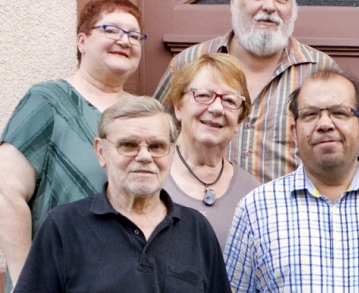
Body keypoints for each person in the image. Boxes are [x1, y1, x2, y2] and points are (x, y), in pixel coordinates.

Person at [225, 69, 359, 292]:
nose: (324, 124)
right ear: (294, 132)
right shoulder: (256, 209)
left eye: (339, 113)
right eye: (311, 114)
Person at [0, 0, 145, 291]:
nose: (125, 40)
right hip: (56, 278)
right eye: (112, 30)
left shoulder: (145, 112)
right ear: (82, 41)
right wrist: (28, 281)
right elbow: (6, 193)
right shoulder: (47, 101)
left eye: (134, 35)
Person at [153, 0, 338, 183]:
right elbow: (153, 137)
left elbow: (345, 160)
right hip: (199, 212)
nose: (269, 6)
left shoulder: (321, 71)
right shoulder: (187, 63)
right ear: (233, 3)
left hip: (284, 216)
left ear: (293, 8)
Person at [14, 96, 230, 292]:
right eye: (129, 145)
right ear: (101, 152)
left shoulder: (197, 229)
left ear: (171, 153)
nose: (145, 156)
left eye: (157, 146)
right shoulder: (63, 227)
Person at [161, 53, 260, 248]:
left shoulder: (252, 194)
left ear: (240, 121)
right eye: (203, 95)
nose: (217, 108)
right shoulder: (150, 176)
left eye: (230, 101)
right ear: (178, 107)